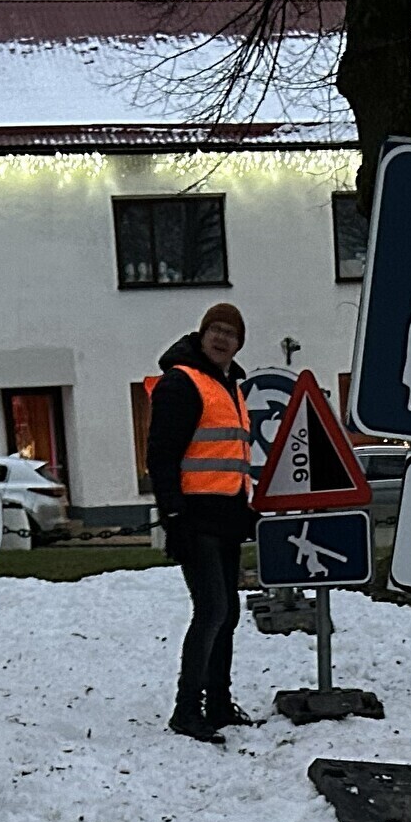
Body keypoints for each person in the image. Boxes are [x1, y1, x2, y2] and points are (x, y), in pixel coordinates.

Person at [146, 303, 256, 742]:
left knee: (227, 613)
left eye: (231, 333)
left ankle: (218, 703)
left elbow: (230, 457)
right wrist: (173, 515)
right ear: (202, 333)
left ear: (239, 343)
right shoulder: (183, 383)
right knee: (212, 610)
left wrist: (246, 508)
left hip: (226, 517)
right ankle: (187, 709)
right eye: (216, 329)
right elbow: (161, 456)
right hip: (194, 517)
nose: (222, 338)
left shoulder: (229, 387)